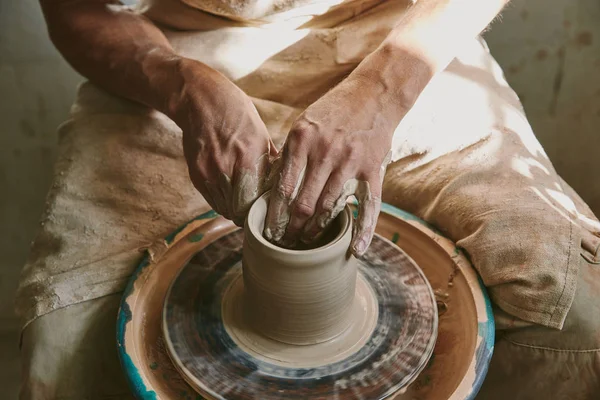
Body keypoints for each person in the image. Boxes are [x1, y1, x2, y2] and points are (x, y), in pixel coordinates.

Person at [16, 0, 600, 398]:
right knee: (67, 339)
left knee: (569, 306)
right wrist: (182, 85)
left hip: (402, 41)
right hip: (176, 51)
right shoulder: (178, 74)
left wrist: (383, 92)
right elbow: (76, 8)